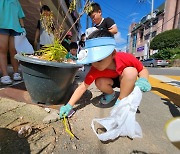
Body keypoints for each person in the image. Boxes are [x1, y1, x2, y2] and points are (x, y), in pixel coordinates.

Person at [59, 29, 151, 118]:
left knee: (131, 71)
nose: (95, 64)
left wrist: (143, 79)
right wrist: (69, 106)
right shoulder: (95, 69)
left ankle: (121, 101)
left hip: (125, 80)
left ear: (113, 54)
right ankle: (111, 94)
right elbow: (82, 87)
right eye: (92, 60)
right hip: (110, 81)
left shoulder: (124, 57)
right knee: (99, 81)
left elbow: (142, 69)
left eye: (99, 59)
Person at [0, 0, 25, 84]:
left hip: (16, 28)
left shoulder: (16, 1)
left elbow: (20, 16)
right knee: (2, 50)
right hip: (2, 26)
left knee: (14, 51)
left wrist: (23, 27)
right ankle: (5, 75)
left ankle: (16, 72)